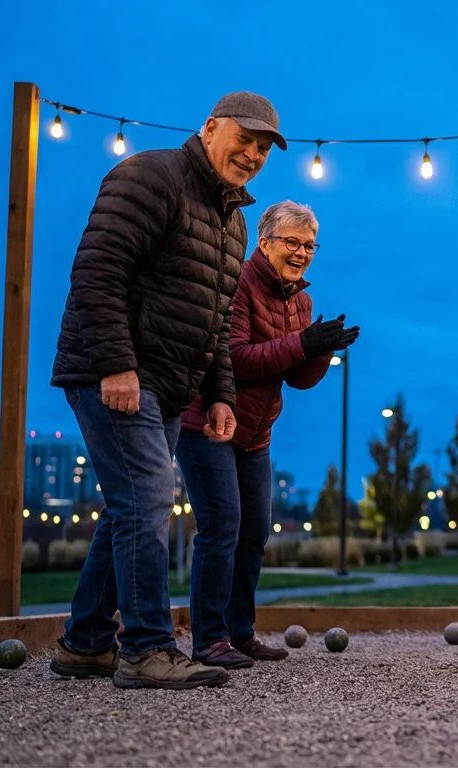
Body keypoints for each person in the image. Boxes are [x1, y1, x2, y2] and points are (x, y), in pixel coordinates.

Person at [48, 92, 286, 690]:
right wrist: (114, 364)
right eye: (245, 138)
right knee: (148, 496)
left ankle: (86, 643)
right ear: (210, 128)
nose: (252, 153)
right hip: (118, 371)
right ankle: (147, 649)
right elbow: (99, 269)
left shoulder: (232, 222)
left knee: (131, 503)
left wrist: (222, 394)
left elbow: (212, 322)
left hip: (170, 383)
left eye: (263, 147)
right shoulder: (151, 175)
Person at [176, 201, 359, 669]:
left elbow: (297, 378)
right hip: (207, 424)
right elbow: (234, 358)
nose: (301, 252)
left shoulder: (301, 300)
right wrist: (304, 343)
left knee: (253, 534)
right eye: (292, 243)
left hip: (257, 434)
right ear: (264, 242)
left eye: (309, 245)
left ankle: (239, 633)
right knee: (222, 529)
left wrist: (319, 350)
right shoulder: (238, 282)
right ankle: (209, 640)